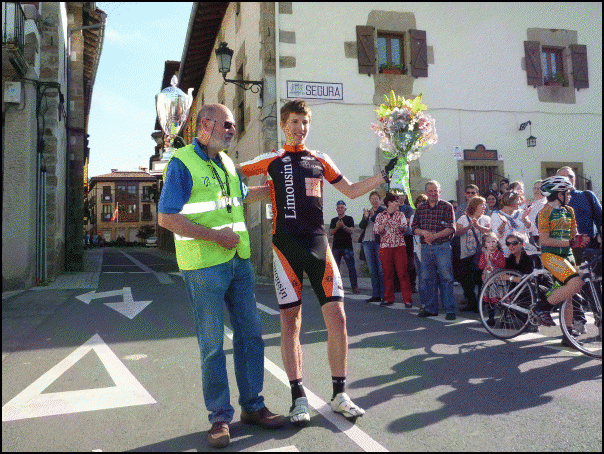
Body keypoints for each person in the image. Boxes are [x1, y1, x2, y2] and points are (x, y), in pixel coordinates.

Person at [239, 99, 393, 426]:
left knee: (337, 318)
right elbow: (234, 174)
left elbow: (351, 190)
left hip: (317, 243)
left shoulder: (320, 159)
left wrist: (383, 176)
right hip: (285, 247)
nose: (300, 128)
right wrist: (258, 191)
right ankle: (299, 399)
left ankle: (340, 394)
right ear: (284, 125)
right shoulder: (272, 159)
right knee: (290, 322)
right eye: (295, 122)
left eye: (305, 122)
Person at [158, 103, 285, 449]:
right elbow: (166, 217)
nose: (232, 130)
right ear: (205, 125)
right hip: (203, 265)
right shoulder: (182, 163)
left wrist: (281, 185)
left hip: (238, 262)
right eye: (227, 124)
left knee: (251, 335)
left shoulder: (228, 163)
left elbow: (242, 198)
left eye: (232, 125)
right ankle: (219, 418)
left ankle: (253, 407)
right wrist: (215, 236)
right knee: (212, 345)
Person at [537, 176, 590, 346]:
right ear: (558, 194)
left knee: (569, 294)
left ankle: (567, 334)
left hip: (568, 255)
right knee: (575, 283)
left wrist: (580, 238)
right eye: (566, 193)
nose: (569, 195)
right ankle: (543, 306)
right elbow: (544, 240)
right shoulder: (544, 212)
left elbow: (573, 234)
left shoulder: (569, 210)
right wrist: (570, 242)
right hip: (551, 255)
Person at [411, 180, 457, 320]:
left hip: (442, 247)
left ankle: (449, 310)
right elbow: (414, 228)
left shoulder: (447, 206)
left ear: (439, 191)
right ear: (426, 193)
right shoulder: (421, 208)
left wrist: (434, 236)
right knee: (427, 278)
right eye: (430, 191)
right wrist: (424, 233)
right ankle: (430, 308)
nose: (433, 193)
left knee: (446, 278)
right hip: (426, 248)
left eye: (435, 191)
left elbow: (451, 228)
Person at [556, 166, 603, 265]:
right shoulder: (551, 201)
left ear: (575, 179)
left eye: (570, 176)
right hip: (562, 252)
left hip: (588, 251)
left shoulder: (587, 196)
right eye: (563, 176)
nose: (567, 179)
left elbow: (601, 220)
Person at [373, 192, 414, 307]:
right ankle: (388, 298)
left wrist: (399, 227)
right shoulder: (380, 216)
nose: (398, 203)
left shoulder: (400, 214)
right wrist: (383, 225)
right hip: (385, 247)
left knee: (403, 273)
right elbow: (376, 231)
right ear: (389, 203)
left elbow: (405, 228)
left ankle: (407, 300)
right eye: (395, 201)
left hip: (399, 246)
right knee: (387, 273)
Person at [455, 196, 491, 312]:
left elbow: (489, 232)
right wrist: (468, 227)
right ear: (474, 206)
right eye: (482, 205)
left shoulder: (486, 218)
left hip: (482, 254)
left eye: (484, 205)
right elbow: (456, 233)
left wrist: (477, 226)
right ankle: (472, 302)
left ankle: (480, 304)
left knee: (481, 279)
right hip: (466, 254)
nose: (484, 207)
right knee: (466, 280)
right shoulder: (463, 218)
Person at [490, 190, 535, 258]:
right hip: (506, 252)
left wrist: (524, 219)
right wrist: (503, 223)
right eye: (517, 200)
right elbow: (496, 235)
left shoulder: (521, 212)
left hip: (522, 250)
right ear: (511, 201)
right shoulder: (496, 215)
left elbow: (531, 229)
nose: (519, 202)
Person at [359, 191, 386, 303]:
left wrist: (372, 216)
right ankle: (375, 294)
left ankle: (384, 295)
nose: (374, 201)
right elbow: (361, 226)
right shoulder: (368, 211)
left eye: (376, 199)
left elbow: (380, 223)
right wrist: (365, 217)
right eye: (372, 199)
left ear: (380, 200)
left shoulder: (383, 211)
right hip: (367, 241)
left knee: (381, 269)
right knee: (372, 270)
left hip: (378, 242)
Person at [329, 200, 360, 294]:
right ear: (336, 209)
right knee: (335, 268)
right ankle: (335, 287)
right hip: (336, 247)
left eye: (341, 207)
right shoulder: (333, 220)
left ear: (345, 209)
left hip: (347, 247)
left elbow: (351, 231)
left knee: (351, 268)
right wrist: (337, 227)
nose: (340, 209)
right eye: (338, 207)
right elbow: (330, 233)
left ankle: (354, 287)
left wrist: (343, 226)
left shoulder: (349, 219)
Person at [526, 179, 547, 246]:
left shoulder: (546, 204)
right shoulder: (533, 203)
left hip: (538, 237)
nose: (536, 191)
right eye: (535, 188)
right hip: (530, 236)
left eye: (538, 188)